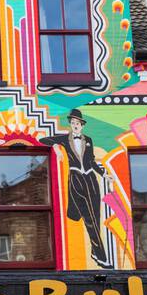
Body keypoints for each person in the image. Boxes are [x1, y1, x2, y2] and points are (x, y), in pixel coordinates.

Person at [42, 108, 111, 267]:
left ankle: (95, 251)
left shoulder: (89, 140)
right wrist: (56, 148)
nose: (75, 126)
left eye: (77, 123)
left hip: (91, 179)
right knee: (89, 218)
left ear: (82, 125)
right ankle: (102, 256)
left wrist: (104, 174)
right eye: (72, 123)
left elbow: (92, 161)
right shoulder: (65, 139)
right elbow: (43, 140)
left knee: (96, 216)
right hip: (76, 179)